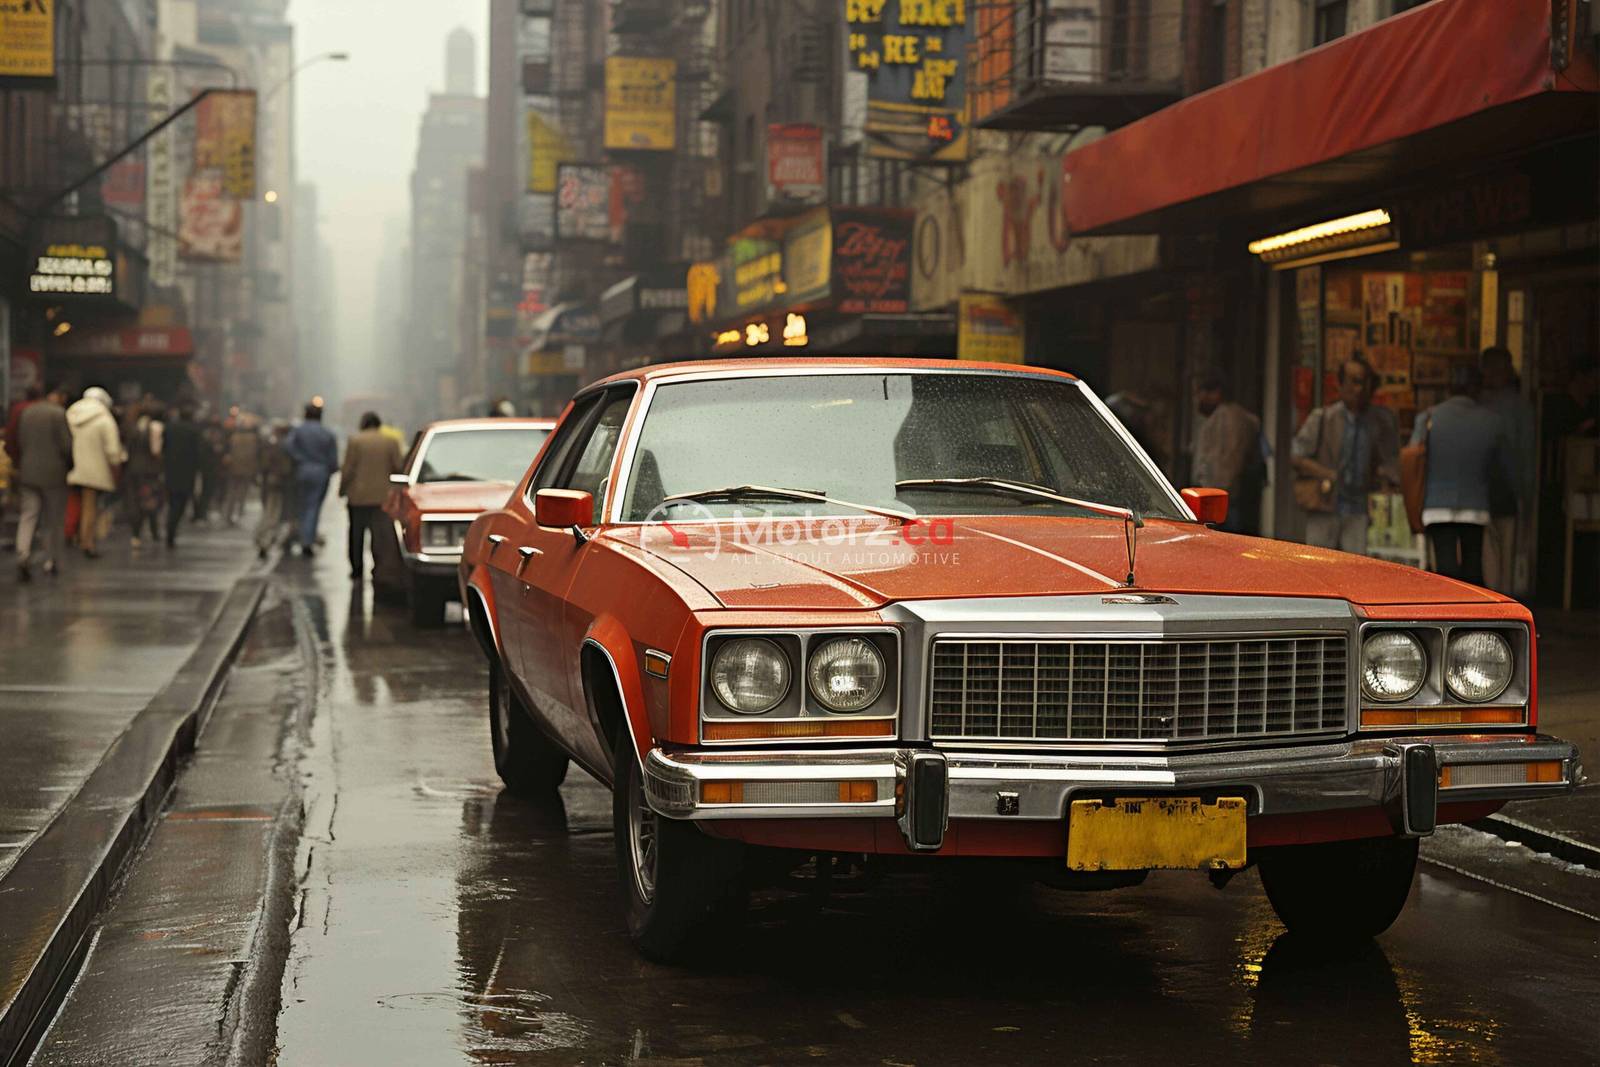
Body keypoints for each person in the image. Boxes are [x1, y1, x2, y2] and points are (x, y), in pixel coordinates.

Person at [1411, 364, 1515, 587]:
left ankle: (1449, 611)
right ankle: (1473, 615)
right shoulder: (1493, 421)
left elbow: (1414, 457)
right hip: (1475, 503)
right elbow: (1504, 467)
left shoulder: (1428, 418)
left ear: (1449, 388)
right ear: (1477, 389)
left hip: (1436, 504)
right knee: (1473, 564)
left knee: (1444, 565)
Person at [1291, 358, 1400, 554]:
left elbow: (1389, 461)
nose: (1359, 389)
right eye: (1353, 382)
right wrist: (1327, 473)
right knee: (1319, 567)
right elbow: (1297, 455)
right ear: (1340, 384)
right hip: (1326, 503)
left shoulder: (1378, 422)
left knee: (1356, 571)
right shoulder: (1324, 417)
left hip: (1359, 508)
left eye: (1364, 382)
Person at [1478, 346, 1535, 593]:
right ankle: (1506, 603)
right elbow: (1526, 453)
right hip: (1509, 488)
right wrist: (1527, 494)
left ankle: (1493, 604)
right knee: (1507, 553)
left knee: (1489, 552)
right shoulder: (1520, 407)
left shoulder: (1480, 404)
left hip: (1482, 487)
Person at [1191, 371, 1264, 534]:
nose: (1198, 400)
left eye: (1200, 393)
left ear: (1215, 393)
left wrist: (1210, 489)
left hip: (1223, 496)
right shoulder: (1237, 417)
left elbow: (1225, 462)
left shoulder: (1227, 418)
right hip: (1226, 495)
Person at [14, 386, 72, 581]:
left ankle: (23, 554)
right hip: (53, 473)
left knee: (28, 515)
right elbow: (66, 445)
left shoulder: (27, 413)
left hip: (28, 472)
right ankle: (51, 560)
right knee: (52, 519)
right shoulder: (58, 414)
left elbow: (19, 441)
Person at [339, 411, 403, 580]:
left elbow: (348, 469)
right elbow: (398, 466)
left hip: (358, 497)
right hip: (382, 497)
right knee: (379, 534)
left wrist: (342, 490)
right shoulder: (391, 442)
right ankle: (379, 567)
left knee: (356, 533)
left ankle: (357, 569)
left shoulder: (355, 441)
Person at [65, 386, 126, 559]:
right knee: (90, 508)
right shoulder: (105, 419)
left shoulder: (70, 414)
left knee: (72, 503)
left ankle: (72, 535)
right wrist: (117, 466)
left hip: (72, 467)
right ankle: (87, 542)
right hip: (95, 470)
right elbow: (113, 450)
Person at [285, 402, 338, 557]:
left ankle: (301, 536)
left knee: (301, 505)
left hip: (302, 470)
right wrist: (330, 468)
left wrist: (299, 458)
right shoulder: (327, 433)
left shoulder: (298, 430)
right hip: (320, 472)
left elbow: (288, 446)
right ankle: (307, 540)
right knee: (313, 507)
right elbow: (333, 459)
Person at [120, 398, 165, 547]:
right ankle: (153, 531)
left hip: (132, 469)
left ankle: (136, 533)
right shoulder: (155, 428)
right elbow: (156, 450)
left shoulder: (131, 428)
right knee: (149, 501)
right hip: (149, 471)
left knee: (134, 502)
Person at [162, 403, 204, 548]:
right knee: (180, 505)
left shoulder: (170, 428)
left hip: (171, 472)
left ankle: (170, 530)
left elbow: (164, 449)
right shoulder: (194, 431)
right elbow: (199, 454)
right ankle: (171, 531)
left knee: (173, 502)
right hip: (187, 473)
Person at [255, 422, 295, 559]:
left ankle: (263, 538)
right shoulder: (284, 447)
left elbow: (263, 464)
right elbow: (286, 468)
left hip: (270, 484)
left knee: (268, 512)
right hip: (279, 485)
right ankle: (265, 540)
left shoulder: (270, 445)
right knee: (273, 514)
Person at [223, 413, 261, 525]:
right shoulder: (255, 439)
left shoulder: (233, 437)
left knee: (232, 492)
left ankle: (230, 515)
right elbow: (256, 455)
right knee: (242, 493)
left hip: (234, 468)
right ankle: (238, 514)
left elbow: (227, 453)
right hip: (247, 469)